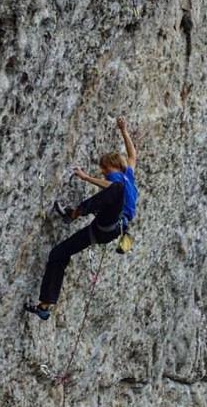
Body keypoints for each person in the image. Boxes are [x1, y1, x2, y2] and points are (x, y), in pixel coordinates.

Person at [25, 116, 138, 320]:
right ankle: (45, 305)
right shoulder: (129, 174)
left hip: (111, 224)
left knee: (116, 190)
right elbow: (133, 155)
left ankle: (73, 213)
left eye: (105, 169)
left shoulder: (119, 179)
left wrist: (86, 177)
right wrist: (124, 130)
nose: (103, 173)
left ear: (112, 165)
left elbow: (113, 188)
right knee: (59, 253)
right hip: (104, 229)